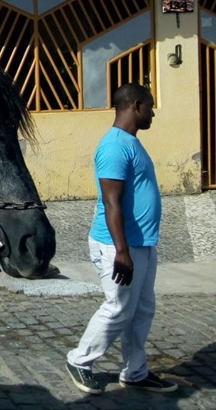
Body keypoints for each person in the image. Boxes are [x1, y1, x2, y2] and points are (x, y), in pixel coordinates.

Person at [65, 83, 177, 394]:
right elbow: (111, 202)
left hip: (141, 243)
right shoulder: (114, 146)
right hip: (117, 245)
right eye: (150, 106)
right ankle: (79, 359)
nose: (153, 112)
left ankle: (135, 371)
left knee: (142, 308)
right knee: (118, 307)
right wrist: (121, 251)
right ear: (136, 105)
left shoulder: (131, 142)